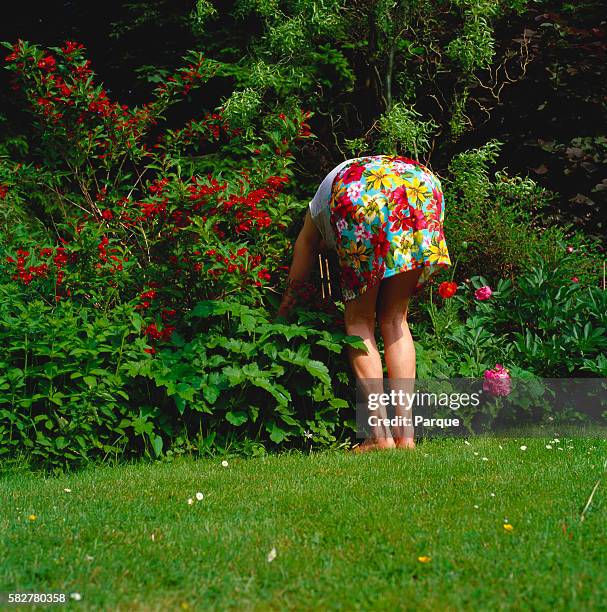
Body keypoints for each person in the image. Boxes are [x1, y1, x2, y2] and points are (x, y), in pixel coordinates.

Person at [277, 154, 451, 452]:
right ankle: (405, 436)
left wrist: (283, 312)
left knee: (359, 320)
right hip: (420, 185)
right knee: (396, 318)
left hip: (360, 192)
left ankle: (379, 437)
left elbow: (304, 249)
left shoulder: (315, 212)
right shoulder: (351, 174)